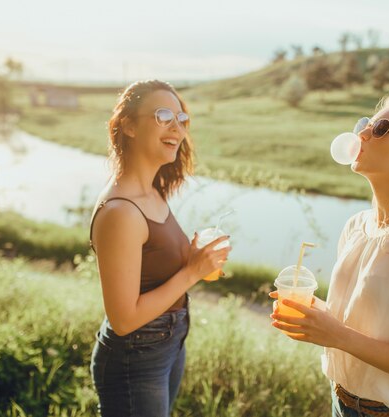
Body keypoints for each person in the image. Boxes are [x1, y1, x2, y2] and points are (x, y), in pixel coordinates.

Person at [271, 93, 389, 417]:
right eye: (365, 124)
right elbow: (355, 323)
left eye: (381, 128)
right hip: (341, 403)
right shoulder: (356, 226)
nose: (362, 133)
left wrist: (337, 336)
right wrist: (312, 314)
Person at [89, 79, 231, 417]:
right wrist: (192, 271)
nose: (177, 128)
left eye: (182, 119)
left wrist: (193, 257)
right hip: (135, 358)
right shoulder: (121, 212)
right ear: (128, 125)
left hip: (167, 344)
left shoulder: (151, 192)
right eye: (163, 115)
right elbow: (123, 320)